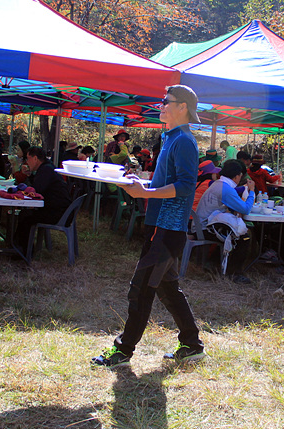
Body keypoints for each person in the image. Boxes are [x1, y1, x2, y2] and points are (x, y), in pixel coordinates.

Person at [92, 84, 205, 368]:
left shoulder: (184, 141)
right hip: (160, 225)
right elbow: (166, 181)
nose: (161, 105)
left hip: (168, 228)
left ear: (183, 108)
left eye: (166, 102)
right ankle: (192, 345)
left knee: (141, 288)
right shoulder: (171, 137)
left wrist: (146, 193)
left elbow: (184, 186)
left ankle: (123, 350)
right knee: (167, 288)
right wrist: (144, 185)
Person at [195, 158, 255, 283]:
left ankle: (213, 263)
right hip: (206, 228)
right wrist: (252, 192)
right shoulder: (226, 188)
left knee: (231, 232)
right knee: (243, 237)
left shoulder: (219, 184)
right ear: (236, 176)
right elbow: (245, 209)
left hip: (202, 225)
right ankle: (234, 273)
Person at [14, 146, 72, 248]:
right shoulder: (47, 167)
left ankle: (22, 250)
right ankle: (18, 247)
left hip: (57, 213)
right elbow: (39, 187)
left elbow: (36, 192)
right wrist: (30, 175)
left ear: (35, 158)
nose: (27, 162)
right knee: (25, 214)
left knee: (25, 216)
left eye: (28, 159)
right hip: (60, 210)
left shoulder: (46, 170)